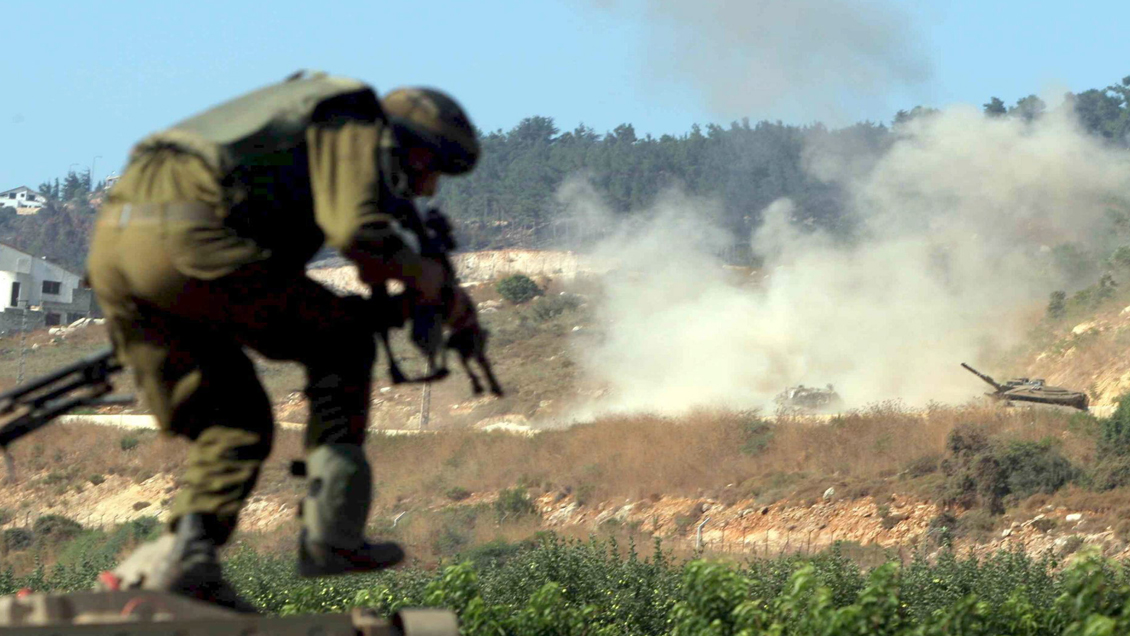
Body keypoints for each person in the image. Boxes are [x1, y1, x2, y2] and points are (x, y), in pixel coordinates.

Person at [85, 71, 481, 611]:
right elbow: (357, 233)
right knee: (344, 342)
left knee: (235, 418)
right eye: (431, 167)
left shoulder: (291, 131)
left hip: (115, 250)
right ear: (409, 141)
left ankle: (187, 560)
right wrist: (429, 279)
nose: (429, 187)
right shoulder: (354, 117)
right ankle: (333, 532)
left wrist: (402, 288)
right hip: (191, 240)